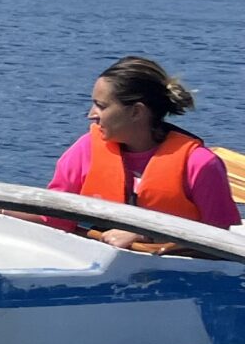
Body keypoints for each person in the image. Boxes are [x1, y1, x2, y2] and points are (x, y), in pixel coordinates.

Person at [46, 57, 239, 245]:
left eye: (101, 106)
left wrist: (145, 236)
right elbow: (52, 217)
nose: (91, 115)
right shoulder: (85, 149)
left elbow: (218, 238)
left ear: (136, 112)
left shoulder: (200, 164)